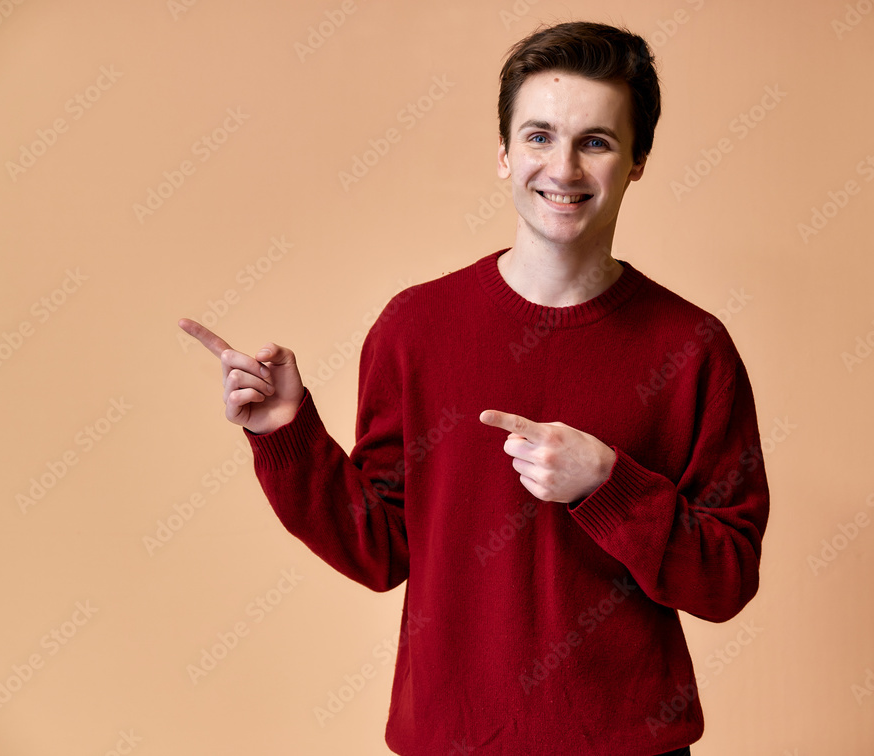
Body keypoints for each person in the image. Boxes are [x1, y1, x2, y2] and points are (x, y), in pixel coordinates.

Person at [180, 20, 769, 756]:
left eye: (596, 141)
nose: (564, 167)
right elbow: (381, 551)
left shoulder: (692, 349)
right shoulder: (415, 328)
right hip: (452, 743)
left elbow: (727, 580)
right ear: (502, 153)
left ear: (637, 161)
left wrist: (609, 485)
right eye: (539, 136)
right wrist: (286, 432)